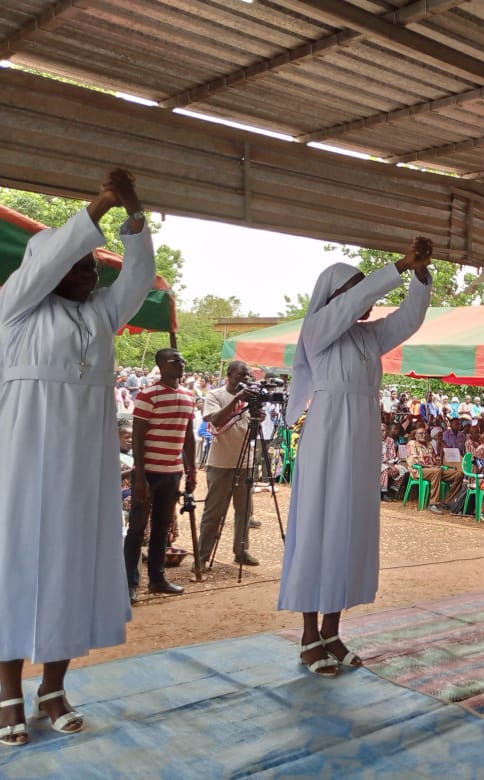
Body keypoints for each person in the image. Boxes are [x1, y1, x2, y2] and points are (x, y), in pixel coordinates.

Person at [0, 168, 154, 747]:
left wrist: (133, 213)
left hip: (83, 465)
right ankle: (7, 691)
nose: (89, 271)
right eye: (77, 263)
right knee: (15, 566)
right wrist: (99, 206)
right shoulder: (14, 309)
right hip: (21, 463)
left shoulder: (101, 316)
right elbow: (45, 259)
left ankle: (54, 688)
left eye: (93, 265)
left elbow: (139, 275)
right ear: (49, 268)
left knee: (71, 566)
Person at [278, 237, 433, 677]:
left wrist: (420, 275)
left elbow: (409, 318)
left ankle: (332, 631)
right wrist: (397, 266)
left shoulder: (368, 336)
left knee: (347, 528)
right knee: (319, 527)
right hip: (328, 435)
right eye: (356, 288)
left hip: (361, 437)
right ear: (335, 295)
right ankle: (309, 636)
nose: (366, 297)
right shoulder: (318, 329)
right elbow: (351, 304)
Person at [124, 349, 197, 602]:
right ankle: (129, 584)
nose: (181, 363)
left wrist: (191, 471)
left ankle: (157, 579)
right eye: (175, 360)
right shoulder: (148, 394)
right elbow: (138, 437)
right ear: (161, 366)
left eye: (182, 360)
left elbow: (188, 436)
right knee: (137, 528)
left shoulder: (188, 396)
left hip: (172, 472)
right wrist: (140, 476)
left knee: (162, 527)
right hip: (148, 472)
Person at [196, 361, 262, 569]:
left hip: (245, 462)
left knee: (244, 511)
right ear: (229, 374)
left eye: (248, 375)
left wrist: (258, 418)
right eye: (241, 374)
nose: (245, 379)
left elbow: (252, 434)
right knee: (214, 512)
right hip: (220, 463)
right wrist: (237, 400)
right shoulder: (215, 395)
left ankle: (241, 550)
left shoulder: (251, 399)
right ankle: (202, 556)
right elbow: (215, 421)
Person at [380, 421, 409, 501]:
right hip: (377, 464)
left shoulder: (390, 440)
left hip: (389, 463)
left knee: (402, 470)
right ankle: (383, 493)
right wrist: (390, 466)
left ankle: (392, 492)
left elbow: (392, 456)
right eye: (382, 430)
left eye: (386, 430)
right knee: (385, 471)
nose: (384, 432)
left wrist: (395, 464)